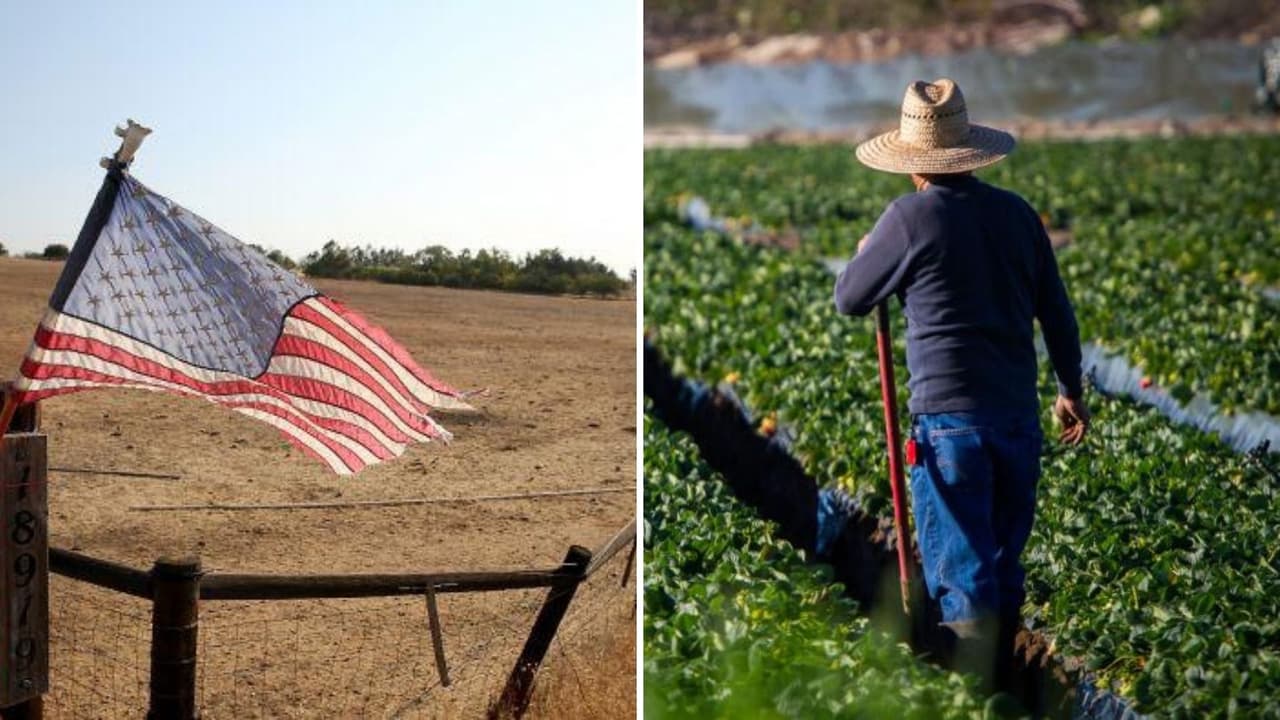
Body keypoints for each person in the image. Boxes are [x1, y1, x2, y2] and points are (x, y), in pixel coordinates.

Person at [832, 78, 1088, 694]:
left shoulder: (908, 217)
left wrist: (868, 252)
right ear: (970, 151)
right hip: (1017, 421)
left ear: (912, 161)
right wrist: (1069, 390)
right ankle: (1007, 689)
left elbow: (849, 297)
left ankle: (973, 696)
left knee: (964, 579)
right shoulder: (1018, 215)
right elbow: (1057, 312)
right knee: (1001, 565)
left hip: (949, 430)